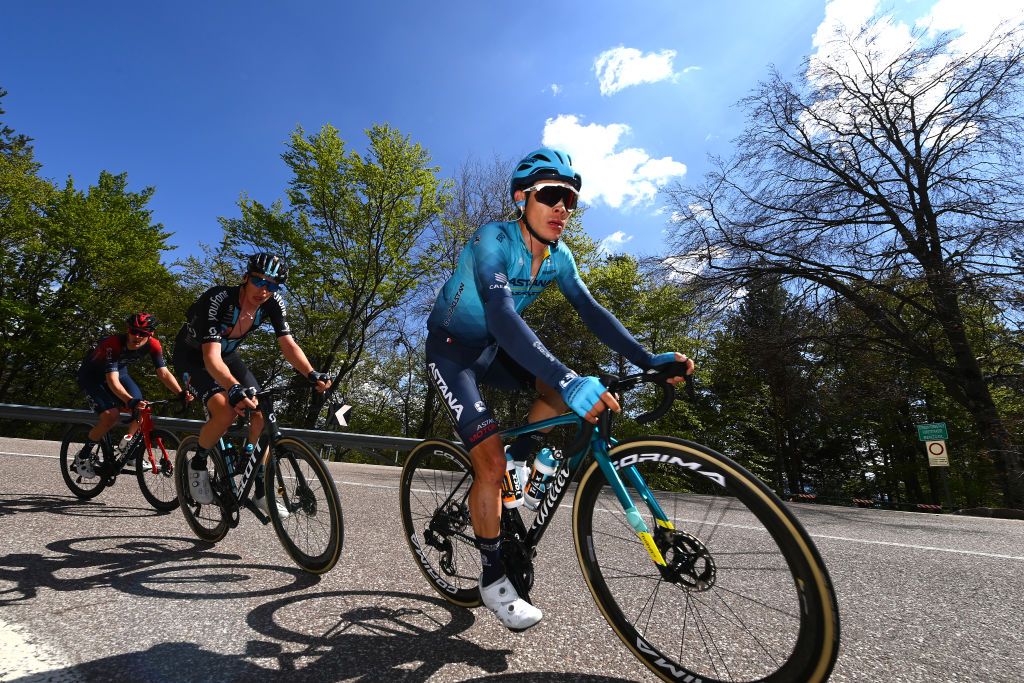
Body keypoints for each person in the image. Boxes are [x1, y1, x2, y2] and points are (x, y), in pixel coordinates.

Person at [425, 147, 694, 631]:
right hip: (453, 351)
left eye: (570, 199)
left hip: (494, 346)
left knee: (552, 392)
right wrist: (569, 380)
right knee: (489, 457)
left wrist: (647, 359)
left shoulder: (559, 257)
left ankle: (520, 459)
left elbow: (592, 312)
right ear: (521, 198)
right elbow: (503, 317)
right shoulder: (493, 241)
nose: (563, 208)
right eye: (551, 195)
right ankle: (491, 578)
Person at [173, 252, 330, 518]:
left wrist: (311, 373)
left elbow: (288, 344)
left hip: (228, 356)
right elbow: (210, 358)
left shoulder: (273, 303)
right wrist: (233, 388)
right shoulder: (218, 299)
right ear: (246, 278)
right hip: (194, 358)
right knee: (225, 409)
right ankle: (197, 464)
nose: (265, 290)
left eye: (273, 285)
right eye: (260, 282)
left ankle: (259, 489)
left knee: (260, 410)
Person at [74, 313, 190, 478]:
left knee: (143, 408)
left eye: (142, 333)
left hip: (119, 373)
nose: (136, 336)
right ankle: (83, 455)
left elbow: (163, 373)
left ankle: (127, 448)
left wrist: (180, 393)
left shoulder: (154, 345)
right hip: (92, 377)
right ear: (127, 330)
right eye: (133, 331)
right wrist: (129, 400)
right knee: (110, 416)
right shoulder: (113, 344)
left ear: (151, 334)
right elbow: (111, 380)